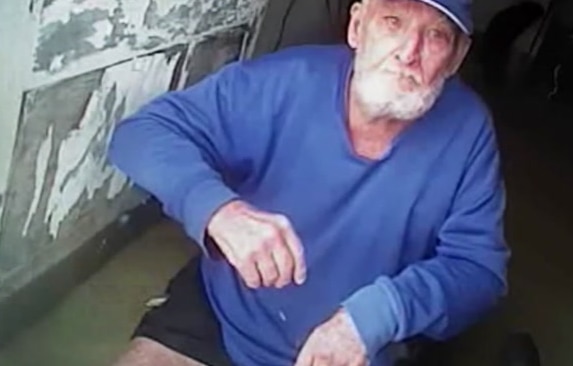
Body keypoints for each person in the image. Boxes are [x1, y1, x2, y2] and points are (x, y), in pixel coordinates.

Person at [108, 0, 510, 365]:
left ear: (457, 57)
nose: (409, 52)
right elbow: (142, 133)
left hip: (363, 348)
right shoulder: (285, 81)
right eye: (392, 21)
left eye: (436, 35)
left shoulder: (467, 132)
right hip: (223, 314)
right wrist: (218, 209)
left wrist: (379, 315)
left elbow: (479, 269)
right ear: (357, 26)